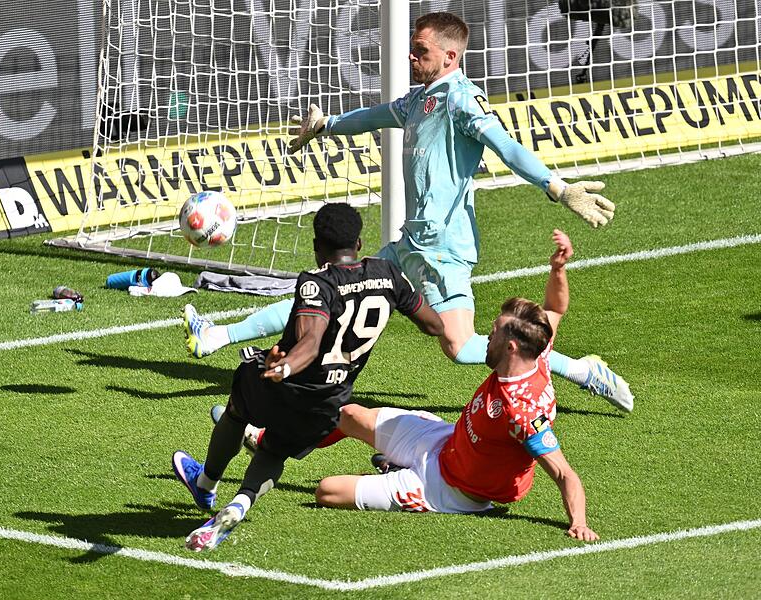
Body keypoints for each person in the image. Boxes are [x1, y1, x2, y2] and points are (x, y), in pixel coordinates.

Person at [181, 11, 633, 413]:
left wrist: (558, 188)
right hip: (408, 243)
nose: (412, 58)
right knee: (323, 293)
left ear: (451, 58)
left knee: (458, 347)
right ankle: (216, 336)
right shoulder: (420, 99)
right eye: (413, 50)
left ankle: (581, 370)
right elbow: (378, 115)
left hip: (444, 249)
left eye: (422, 51)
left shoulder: (462, 100)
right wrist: (328, 126)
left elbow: (507, 147)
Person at [172, 203, 443, 551]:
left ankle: (206, 483)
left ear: (317, 247)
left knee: (237, 410)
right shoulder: (389, 273)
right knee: (274, 451)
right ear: (359, 243)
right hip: (329, 402)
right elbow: (433, 325)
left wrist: (284, 367)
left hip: (285, 385)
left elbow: (310, 342)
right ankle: (240, 504)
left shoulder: (318, 283)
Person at [314, 229, 599, 542]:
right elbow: (555, 309)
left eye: (495, 332)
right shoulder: (537, 353)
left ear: (511, 348)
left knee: (327, 491)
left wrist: (579, 523)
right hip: (446, 441)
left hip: (447, 489)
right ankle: (270, 439)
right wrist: (558, 269)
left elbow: (563, 473)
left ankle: (398, 473)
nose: (488, 336)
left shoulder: (521, 413)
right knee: (350, 414)